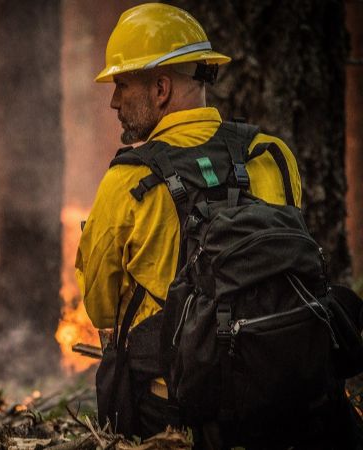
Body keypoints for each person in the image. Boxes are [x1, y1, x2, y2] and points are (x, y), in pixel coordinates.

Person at [73, 2, 351, 446]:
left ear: (161, 88)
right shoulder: (271, 154)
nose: (114, 100)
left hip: (178, 413)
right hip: (289, 394)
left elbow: (102, 310)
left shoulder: (127, 182)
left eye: (122, 84)